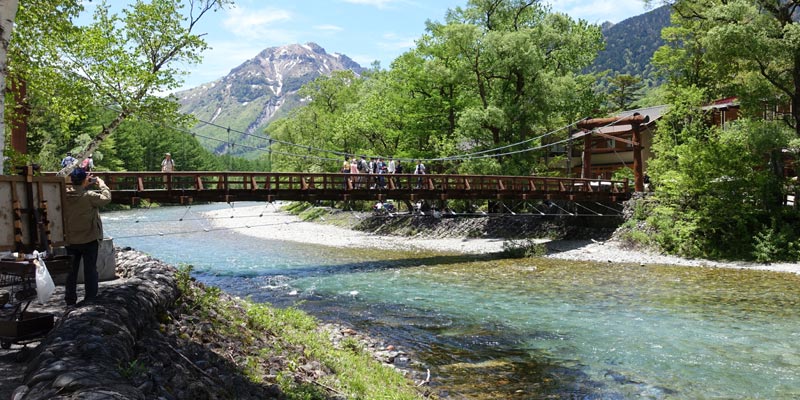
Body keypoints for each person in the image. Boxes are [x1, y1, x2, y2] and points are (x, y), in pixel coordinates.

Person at [63, 168, 111, 306]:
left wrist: (82, 183)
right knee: (90, 270)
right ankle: (90, 298)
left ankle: (70, 299)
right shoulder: (89, 196)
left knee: (71, 271)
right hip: (89, 238)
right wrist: (101, 184)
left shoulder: (64, 195)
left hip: (70, 239)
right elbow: (106, 198)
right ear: (85, 180)